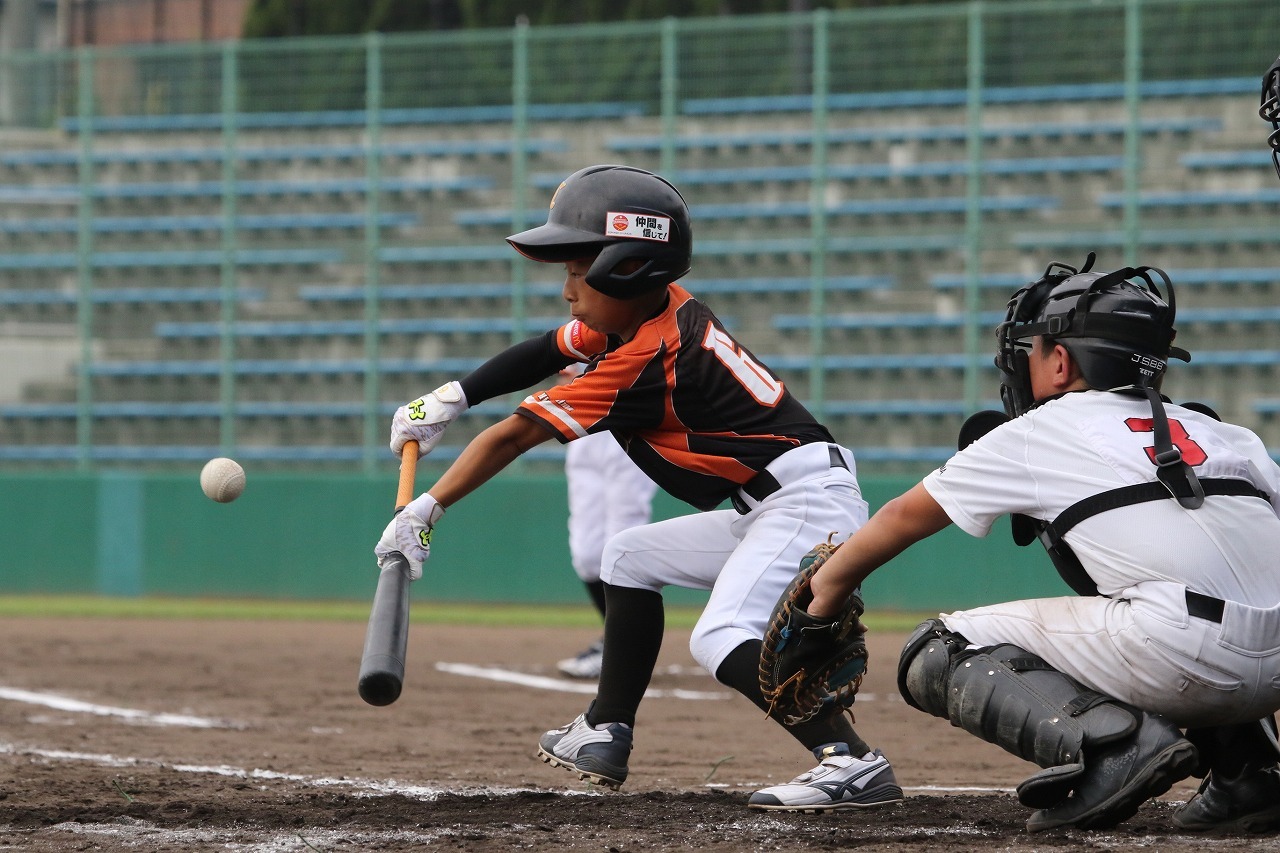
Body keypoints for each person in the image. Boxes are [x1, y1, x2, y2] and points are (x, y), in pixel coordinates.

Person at [375, 164, 902, 810]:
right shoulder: (645, 319)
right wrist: (451, 397)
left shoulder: (645, 358)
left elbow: (515, 436)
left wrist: (428, 508)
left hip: (804, 501)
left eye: (577, 267)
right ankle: (607, 727)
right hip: (776, 500)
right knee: (626, 555)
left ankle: (850, 757)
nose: (567, 287)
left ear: (625, 267)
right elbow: (546, 348)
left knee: (718, 633)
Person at [771, 256, 1280, 832]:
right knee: (1205, 594)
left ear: (1060, 362)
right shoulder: (1228, 434)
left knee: (940, 646)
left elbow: (902, 517)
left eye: (1032, 349)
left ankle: (1113, 750)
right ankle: (1250, 774)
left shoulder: (1038, 429)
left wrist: (824, 593)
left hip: (1184, 657)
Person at [555, 363, 659, 679]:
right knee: (587, 555)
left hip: (629, 423)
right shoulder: (580, 325)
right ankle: (614, 640)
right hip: (585, 427)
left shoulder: (634, 320)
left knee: (622, 547)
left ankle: (624, 648)